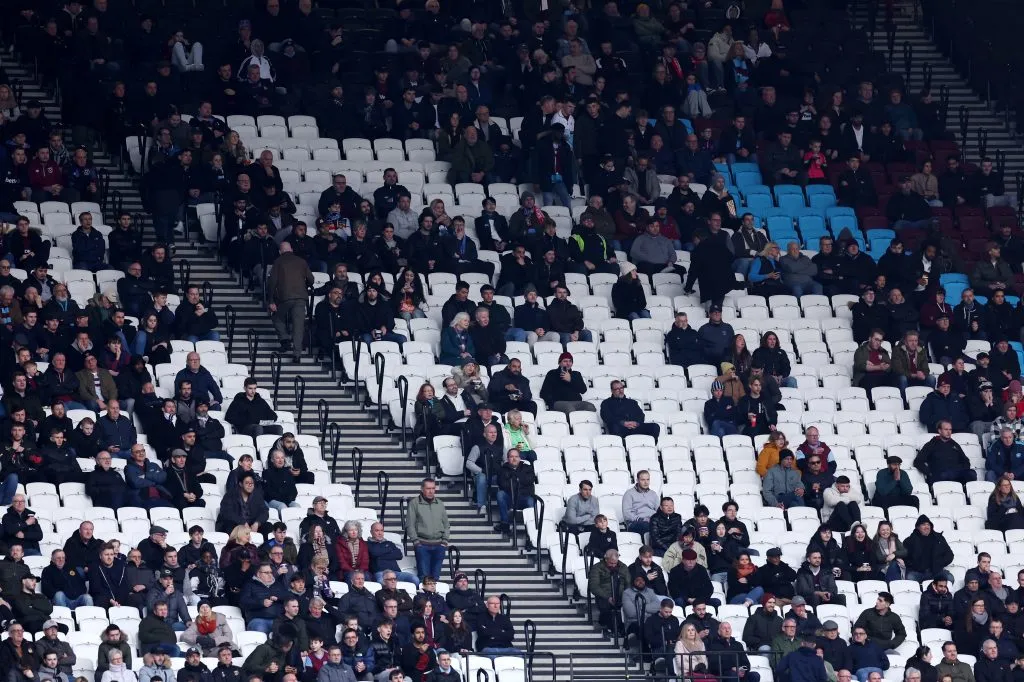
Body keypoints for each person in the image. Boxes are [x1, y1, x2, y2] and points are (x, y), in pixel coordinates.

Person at [267, 243, 314, 361]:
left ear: (280, 252)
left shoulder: (278, 261)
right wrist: (304, 286)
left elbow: (272, 282)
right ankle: (297, 354)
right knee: (298, 326)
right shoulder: (302, 261)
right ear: (291, 249)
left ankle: (285, 339)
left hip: (285, 298)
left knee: (277, 318)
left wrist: (271, 300)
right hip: (301, 297)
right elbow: (311, 280)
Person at [406, 479, 449, 581]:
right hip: (422, 545)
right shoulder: (414, 503)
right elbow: (409, 524)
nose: (431, 491)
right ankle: (424, 597)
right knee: (424, 577)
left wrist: (444, 541)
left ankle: (433, 596)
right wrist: (416, 542)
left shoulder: (440, 503)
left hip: (439, 545)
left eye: (433, 488)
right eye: (428, 488)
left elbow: (446, 524)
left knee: (436, 577)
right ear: (422, 489)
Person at [914, 420, 977, 485]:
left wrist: (961, 469)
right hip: (939, 475)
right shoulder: (931, 444)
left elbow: (966, 461)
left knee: (972, 473)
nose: (949, 432)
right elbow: (918, 461)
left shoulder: (955, 444)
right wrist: (929, 473)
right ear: (939, 431)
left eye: (950, 429)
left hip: (956, 473)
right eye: (946, 429)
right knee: (945, 475)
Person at [904, 516, 956, 582]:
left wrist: (939, 563)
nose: (926, 527)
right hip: (918, 573)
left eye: (928, 524)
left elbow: (949, 555)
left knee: (949, 578)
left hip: (936, 572)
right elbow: (905, 558)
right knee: (910, 578)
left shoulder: (939, 538)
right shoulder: (909, 541)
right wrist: (916, 566)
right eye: (923, 524)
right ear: (917, 527)